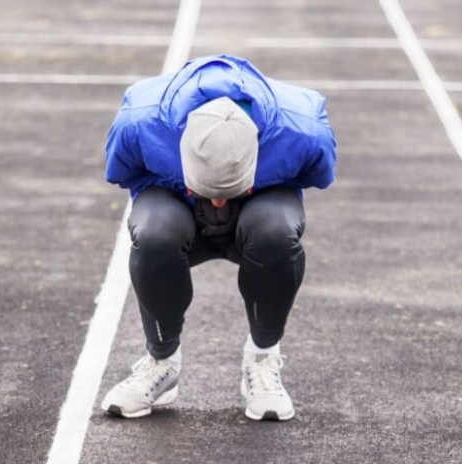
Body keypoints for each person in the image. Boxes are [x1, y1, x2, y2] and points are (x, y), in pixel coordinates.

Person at [99, 54, 336, 421]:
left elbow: (318, 176)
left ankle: (261, 358)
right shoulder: (139, 121)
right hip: (176, 197)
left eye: (226, 188)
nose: (219, 202)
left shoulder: (302, 129)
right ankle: (161, 361)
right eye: (211, 189)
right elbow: (124, 173)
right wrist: (183, 191)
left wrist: (255, 191)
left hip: (259, 200)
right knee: (154, 232)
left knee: (276, 231)